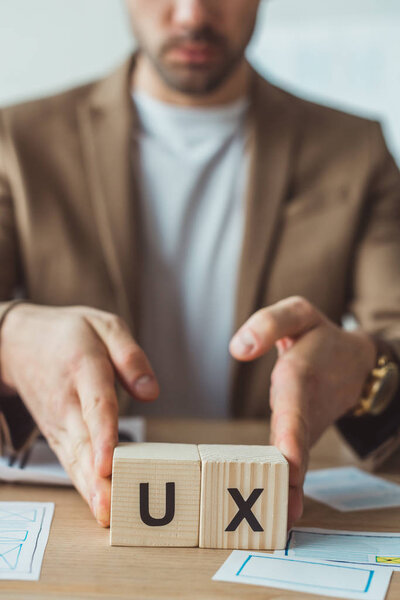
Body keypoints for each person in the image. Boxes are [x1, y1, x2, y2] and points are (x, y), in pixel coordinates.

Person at [0, 0, 399, 529]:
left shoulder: (356, 149)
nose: (191, 15)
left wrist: (367, 366)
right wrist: (7, 340)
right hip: (83, 518)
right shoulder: (18, 141)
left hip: (275, 512)